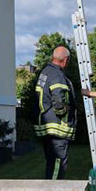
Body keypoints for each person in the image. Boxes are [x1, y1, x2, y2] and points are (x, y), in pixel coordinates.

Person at [33, 46, 77, 179]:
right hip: (58, 127)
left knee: (51, 163)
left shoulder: (45, 72)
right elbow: (58, 99)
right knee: (58, 165)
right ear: (65, 60)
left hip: (47, 126)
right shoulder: (57, 75)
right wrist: (64, 111)